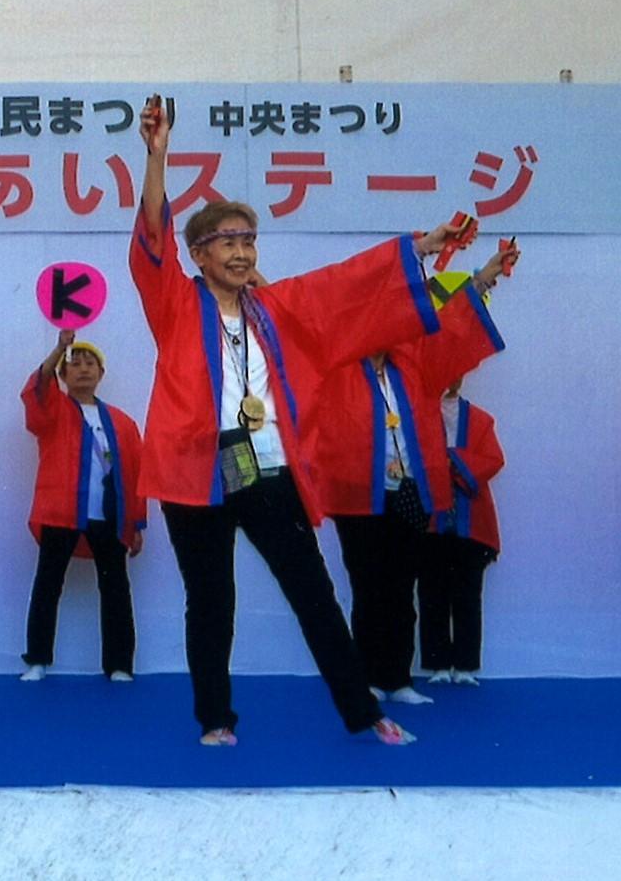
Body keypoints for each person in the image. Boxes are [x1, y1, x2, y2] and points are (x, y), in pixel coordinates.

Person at [130, 96, 464, 747]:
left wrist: (419, 248)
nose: (242, 252)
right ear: (198, 254)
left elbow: (343, 287)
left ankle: (363, 712)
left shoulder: (274, 309)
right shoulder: (174, 302)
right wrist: (157, 157)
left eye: (249, 240)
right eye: (228, 242)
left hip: (264, 463)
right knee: (212, 598)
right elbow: (151, 237)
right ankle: (215, 719)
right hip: (196, 468)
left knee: (313, 590)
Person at [310, 257, 511, 706]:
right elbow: (302, 329)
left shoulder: (414, 364)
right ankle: (368, 677)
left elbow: (453, 328)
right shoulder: (338, 366)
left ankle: (398, 678)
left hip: (408, 492)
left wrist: (483, 279)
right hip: (359, 495)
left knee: (402, 590)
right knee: (367, 588)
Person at [18, 329, 145, 683]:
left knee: (116, 589)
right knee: (48, 586)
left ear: (101, 373)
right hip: (61, 512)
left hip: (110, 517)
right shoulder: (54, 409)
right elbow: (37, 388)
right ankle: (37, 660)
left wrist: (136, 524)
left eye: (91, 364)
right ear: (62, 374)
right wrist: (60, 348)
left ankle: (120, 664)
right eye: (75, 364)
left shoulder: (123, 422)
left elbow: (137, 474)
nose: (84, 369)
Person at [418, 376, 505, 685]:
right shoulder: (418, 417)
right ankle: (438, 664)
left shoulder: (481, 420)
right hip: (431, 520)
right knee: (432, 593)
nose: (451, 378)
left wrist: (452, 460)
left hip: (472, 520)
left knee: (468, 594)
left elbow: (494, 460)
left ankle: (465, 665)